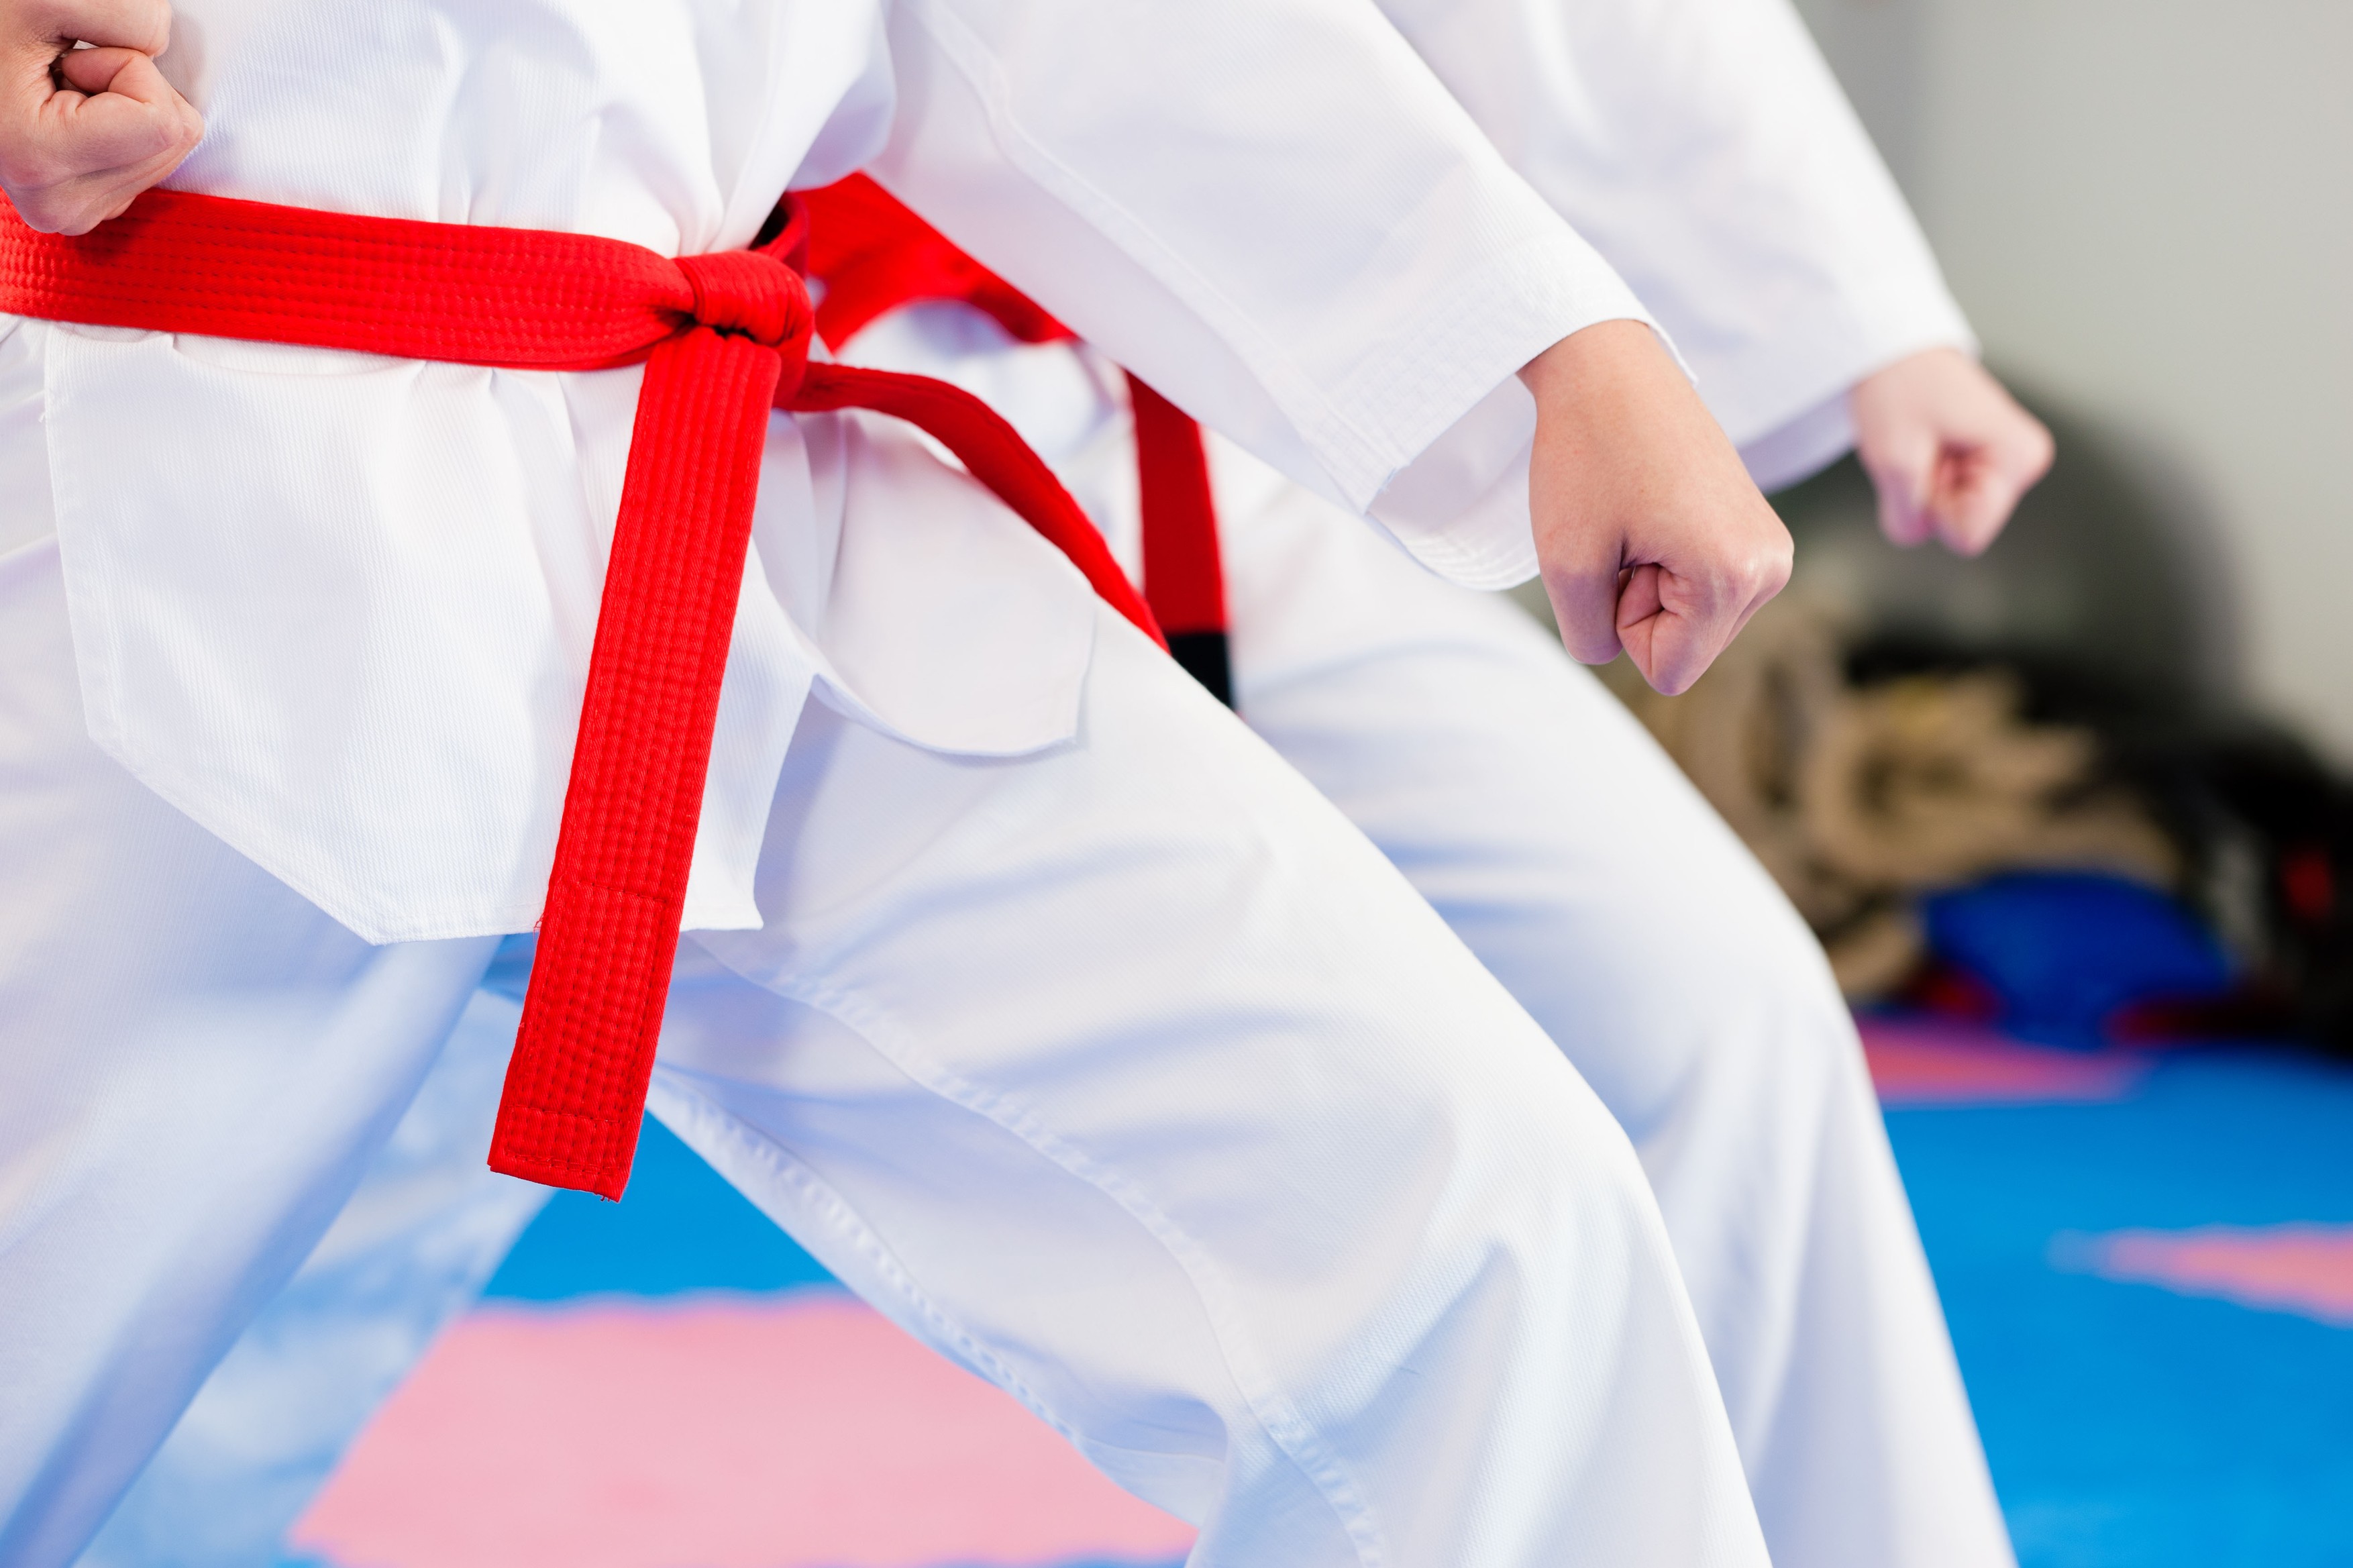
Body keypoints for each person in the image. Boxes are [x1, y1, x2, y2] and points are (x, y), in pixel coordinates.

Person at [68, 5, 2052, 1568]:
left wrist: (1556, 335)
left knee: (1486, 1208)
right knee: (135, 1343)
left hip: (758, 470)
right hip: (165, 470)